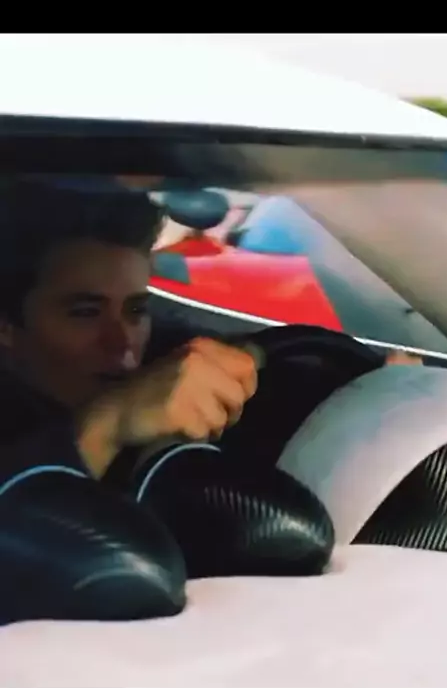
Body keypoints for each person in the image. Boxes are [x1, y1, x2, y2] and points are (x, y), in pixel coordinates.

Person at [0, 178, 421, 495]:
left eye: (136, 311)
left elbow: (262, 368)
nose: (121, 344)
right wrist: (105, 428)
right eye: (85, 313)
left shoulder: (163, 351)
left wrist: (377, 390)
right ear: (7, 326)